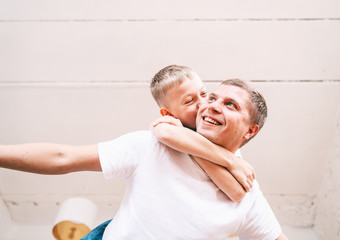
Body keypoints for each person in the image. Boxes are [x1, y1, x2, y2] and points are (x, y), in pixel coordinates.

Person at [0, 66, 287, 239]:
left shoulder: (248, 193)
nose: (209, 105)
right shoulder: (154, 144)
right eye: (212, 97)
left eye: (230, 105)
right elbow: (63, 157)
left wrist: (230, 163)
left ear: (250, 131)